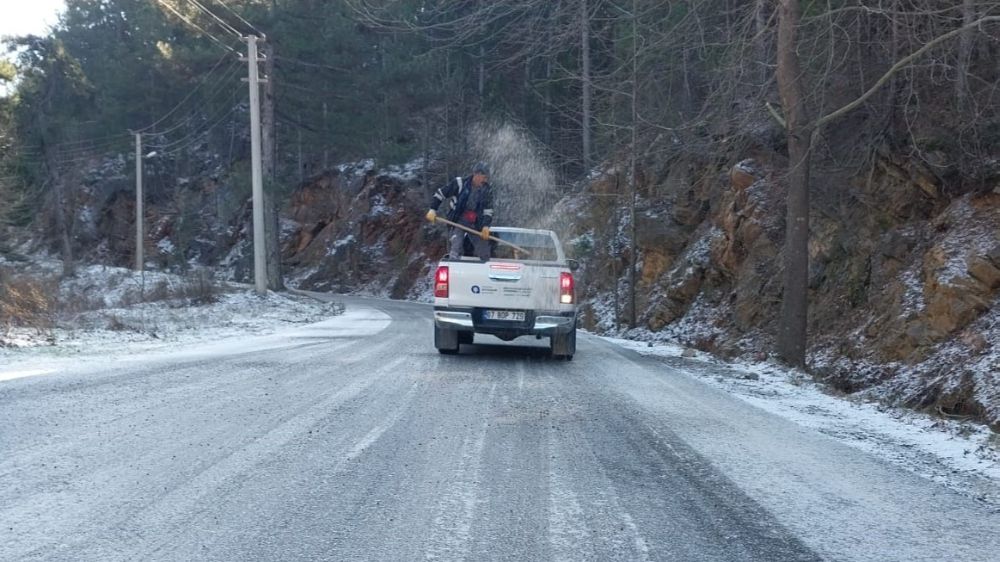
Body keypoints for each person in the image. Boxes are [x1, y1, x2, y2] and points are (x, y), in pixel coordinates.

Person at [425, 162, 495, 260]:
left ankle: (485, 269)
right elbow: (440, 194)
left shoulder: (487, 190)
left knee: (484, 250)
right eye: (484, 177)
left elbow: (488, 211)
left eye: (487, 178)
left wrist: (485, 226)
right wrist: (433, 209)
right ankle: (453, 265)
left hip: (475, 223)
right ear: (477, 174)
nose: (485, 180)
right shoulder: (459, 183)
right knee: (456, 245)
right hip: (458, 220)